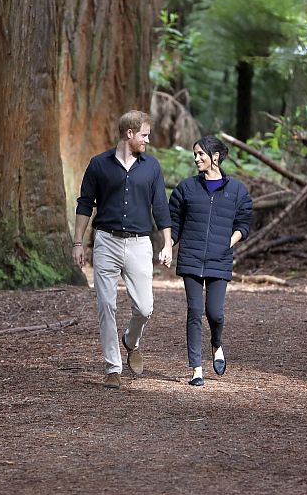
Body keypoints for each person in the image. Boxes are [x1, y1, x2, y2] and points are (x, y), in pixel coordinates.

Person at [72, 110, 173, 389]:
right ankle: (113, 367)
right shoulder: (98, 165)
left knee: (145, 307)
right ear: (129, 134)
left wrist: (167, 243)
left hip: (140, 243)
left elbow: (161, 207)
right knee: (106, 304)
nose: (148, 140)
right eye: (144, 135)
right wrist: (78, 242)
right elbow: (84, 205)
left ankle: (131, 340)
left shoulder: (151, 167)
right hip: (106, 241)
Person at [168, 135, 253, 387]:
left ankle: (216, 344)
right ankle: (196, 368)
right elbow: (174, 223)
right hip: (191, 258)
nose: (196, 159)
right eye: (195, 154)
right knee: (194, 311)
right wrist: (167, 245)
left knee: (214, 312)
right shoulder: (186, 188)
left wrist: (227, 243)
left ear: (215, 157)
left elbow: (244, 223)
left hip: (220, 259)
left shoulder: (237, 191)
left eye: (201, 154)